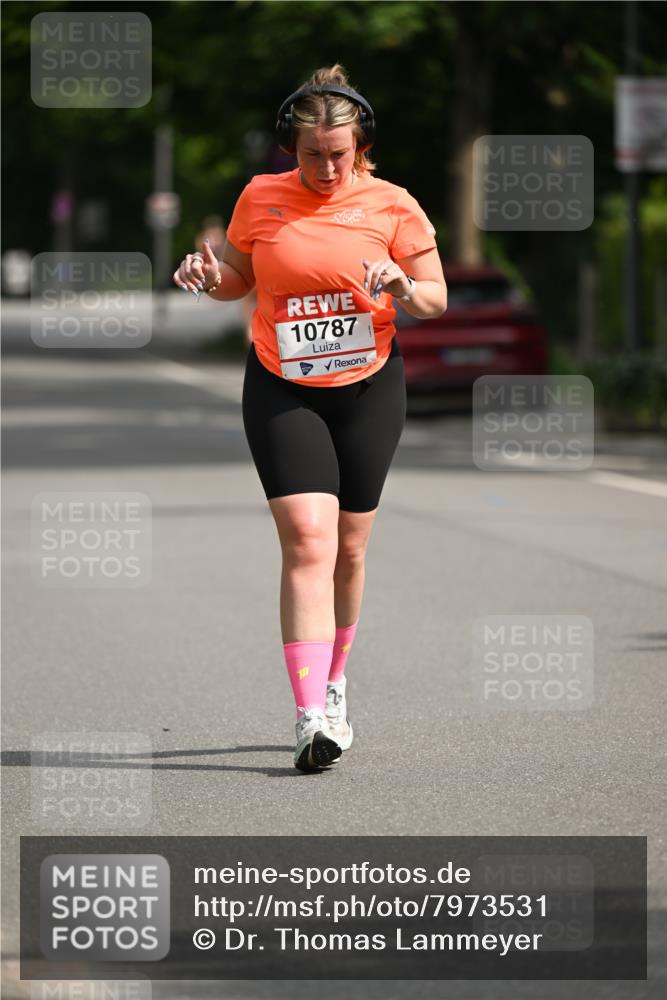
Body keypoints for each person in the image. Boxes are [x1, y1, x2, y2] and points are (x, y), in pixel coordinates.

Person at [173, 64, 447, 772]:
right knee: (306, 539)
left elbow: (435, 302)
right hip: (281, 383)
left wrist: (402, 283)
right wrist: (208, 280)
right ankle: (308, 718)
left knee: (350, 550)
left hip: (366, 389)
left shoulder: (393, 205)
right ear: (287, 149)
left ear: (361, 145)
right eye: (310, 155)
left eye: (339, 153)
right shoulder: (260, 197)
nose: (326, 168)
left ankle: (334, 681)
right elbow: (238, 277)